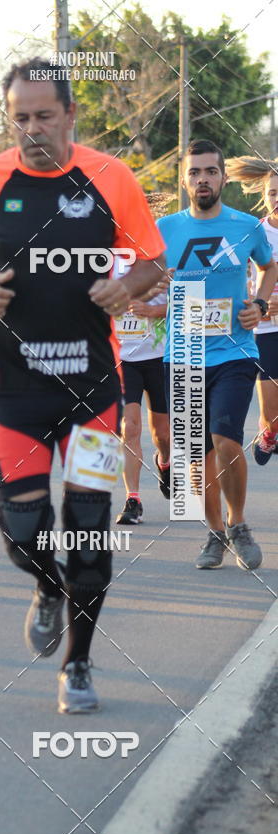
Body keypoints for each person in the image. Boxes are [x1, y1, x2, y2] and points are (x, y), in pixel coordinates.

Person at [0, 57, 165, 713]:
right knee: (22, 530)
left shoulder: (111, 177)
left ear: (71, 114)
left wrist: (127, 286)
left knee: (92, 532)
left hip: (94, 388)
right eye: (20, 118)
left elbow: (153, 258)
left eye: (44, 116)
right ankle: (46, 585)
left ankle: (78, 666)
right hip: (14, 391)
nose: (32, 129)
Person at [159, 140, 277, 571]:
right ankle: (213, 534)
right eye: (195, 172)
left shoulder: (246, 226)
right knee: (195, 454)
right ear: (185, 179)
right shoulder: (165, 229)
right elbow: (144, 279)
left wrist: (261, 304)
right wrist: (154, 286)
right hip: (184, 351)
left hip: (235, 350)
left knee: (226, 440)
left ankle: (238, 523)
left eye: (211, 171)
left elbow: (270, 267)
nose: (203, 179)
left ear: (223, 177)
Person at [225, 156, 278, 464]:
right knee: (271, 414)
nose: (277, 198)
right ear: (263, 195)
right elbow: (237, 277)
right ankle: (268, 431)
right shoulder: (254, 231)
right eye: (272, 192)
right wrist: (256, 303)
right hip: (266, 330)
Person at [114, 260, 170, 525]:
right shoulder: (103, 257)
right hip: (123, 360)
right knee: (130, 428)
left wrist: (153, 308)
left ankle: (165, 461)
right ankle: (132, 499)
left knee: (164, 434)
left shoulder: (161, 256)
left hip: (160, 357)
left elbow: (189, 304)